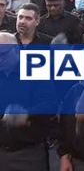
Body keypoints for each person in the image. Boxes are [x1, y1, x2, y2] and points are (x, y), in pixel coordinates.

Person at [0, 32, 55, 171]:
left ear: (16, 50)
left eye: (3, 54)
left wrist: (26, 114)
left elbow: (50, 104)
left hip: (26, 154)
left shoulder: (35, 71)